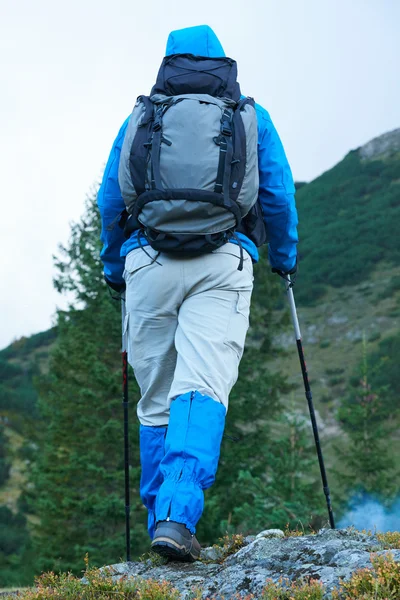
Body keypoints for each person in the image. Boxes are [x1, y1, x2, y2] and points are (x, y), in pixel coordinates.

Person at [98, 24, 298, 562]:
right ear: (221, 63)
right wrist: (285, 258)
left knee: (157, 400)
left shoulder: (141, 116)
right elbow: (277, 192)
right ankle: (175, 517)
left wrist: (115, 266)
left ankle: (159, 522)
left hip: (149, 262)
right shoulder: (250, 116)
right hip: (223, 260)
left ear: (168, 63)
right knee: (201, 387)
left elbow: (110, 198)